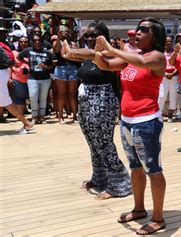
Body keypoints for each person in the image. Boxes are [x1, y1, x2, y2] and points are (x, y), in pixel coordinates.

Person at [93, 17, 168, 235]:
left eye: (143, 30)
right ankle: (139, 208)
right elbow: (105, 65)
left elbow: (143, 64)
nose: (137, 32)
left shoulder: (157, 57)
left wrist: (111, 49)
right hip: (127, 121)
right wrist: (100, 51)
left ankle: (158, 218)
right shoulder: (133, 57)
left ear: (155, 35)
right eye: (138, 29)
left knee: (153, 170)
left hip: (147, 122)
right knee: (135, 168)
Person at [60, 22, 132, 200]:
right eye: (88, 35)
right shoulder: (86, 54)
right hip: (86, 101)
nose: (91, 38)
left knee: (104, 143)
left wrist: (70, 49)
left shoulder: (108, 53)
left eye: (95, 35)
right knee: (93, 142)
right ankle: (99, 177)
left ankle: (120, 184)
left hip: (103, 101)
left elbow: (90, 54)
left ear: (104, 36)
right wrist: (66, 47)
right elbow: (68, 55)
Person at [18, 34, 53, 124]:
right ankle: (34, 116)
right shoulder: (28, 50)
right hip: (32, 78)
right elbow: (19, 57)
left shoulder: (47, 52)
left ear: (42, 41)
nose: (37, 42)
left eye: (39, 40)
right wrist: (27, 62)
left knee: (43, 98)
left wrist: (45, 66)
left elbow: (51, 65)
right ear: (32, 42)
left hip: (45, 78)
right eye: (34, 40)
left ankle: (41, 116)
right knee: (33, 97)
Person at [0, 44, 34, 134]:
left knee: (6, 102)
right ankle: (26, 123)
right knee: (5, 101)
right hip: (4, 72)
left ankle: (26, 123)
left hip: (1, 73)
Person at [53, 25, 79, 124]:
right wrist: (59, 38)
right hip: (60, 68)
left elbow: (73, 55)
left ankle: (75, 116)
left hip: (73, 68)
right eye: (62, 31)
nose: (65, 33)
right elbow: (56, 51)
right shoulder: (57, 42)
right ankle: (60, 117)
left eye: (66, 31)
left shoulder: (73, 43)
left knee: (72, 93)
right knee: (61, 93)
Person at [159, 36, 179, 121]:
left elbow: (179, 64)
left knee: (173, 96)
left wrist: (173, 73)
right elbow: (158, 65)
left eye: (170, 41)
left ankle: (170, 115)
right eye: (167, 41)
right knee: (162, 95)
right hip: (164, 76)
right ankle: (158, 114)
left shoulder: (176, 52)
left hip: (174, 76)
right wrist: (165, 74)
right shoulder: (161, 52)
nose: (169, 43)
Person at [11, 36, 30, 115]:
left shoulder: (32, 52)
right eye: (21, 42)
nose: (23, 43)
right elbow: (10, 66)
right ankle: (21, 116)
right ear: (18, 43)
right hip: (17, 78)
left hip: (32, 79)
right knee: (19, 98)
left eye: (25, 42)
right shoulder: (14, 53)